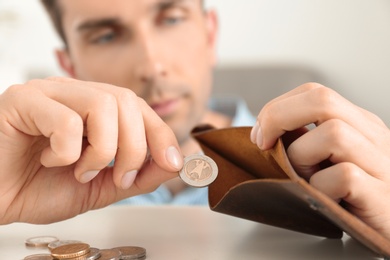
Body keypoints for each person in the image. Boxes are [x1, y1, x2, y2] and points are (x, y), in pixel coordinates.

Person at [0, 0, 389, 242]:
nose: (152, 65)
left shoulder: (336, 168)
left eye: (170, 18)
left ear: (210, 34)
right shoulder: (34, 177)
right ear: (69, 66)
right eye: (105, 36)